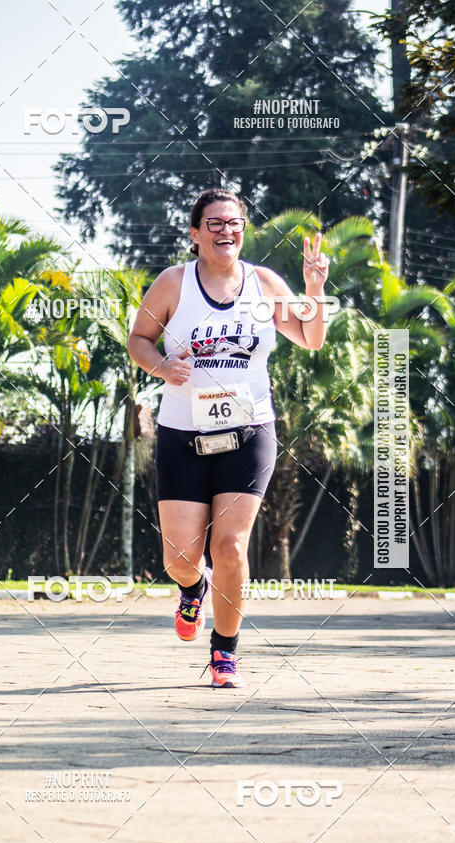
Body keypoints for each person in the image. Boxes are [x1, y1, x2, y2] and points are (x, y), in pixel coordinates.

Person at [127, 188, 329, 687]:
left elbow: (311, 338)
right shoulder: (174, 284)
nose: (225, 231)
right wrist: (161, 365)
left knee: (231, 544)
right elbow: (139, 341)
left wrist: (314, 288)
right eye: (213, 223)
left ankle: (224, 653)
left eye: (233, 222)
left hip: (249, 429)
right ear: (195, 234)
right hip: (182, 433)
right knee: (179, 557)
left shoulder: (263, 284)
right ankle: (193, 588)